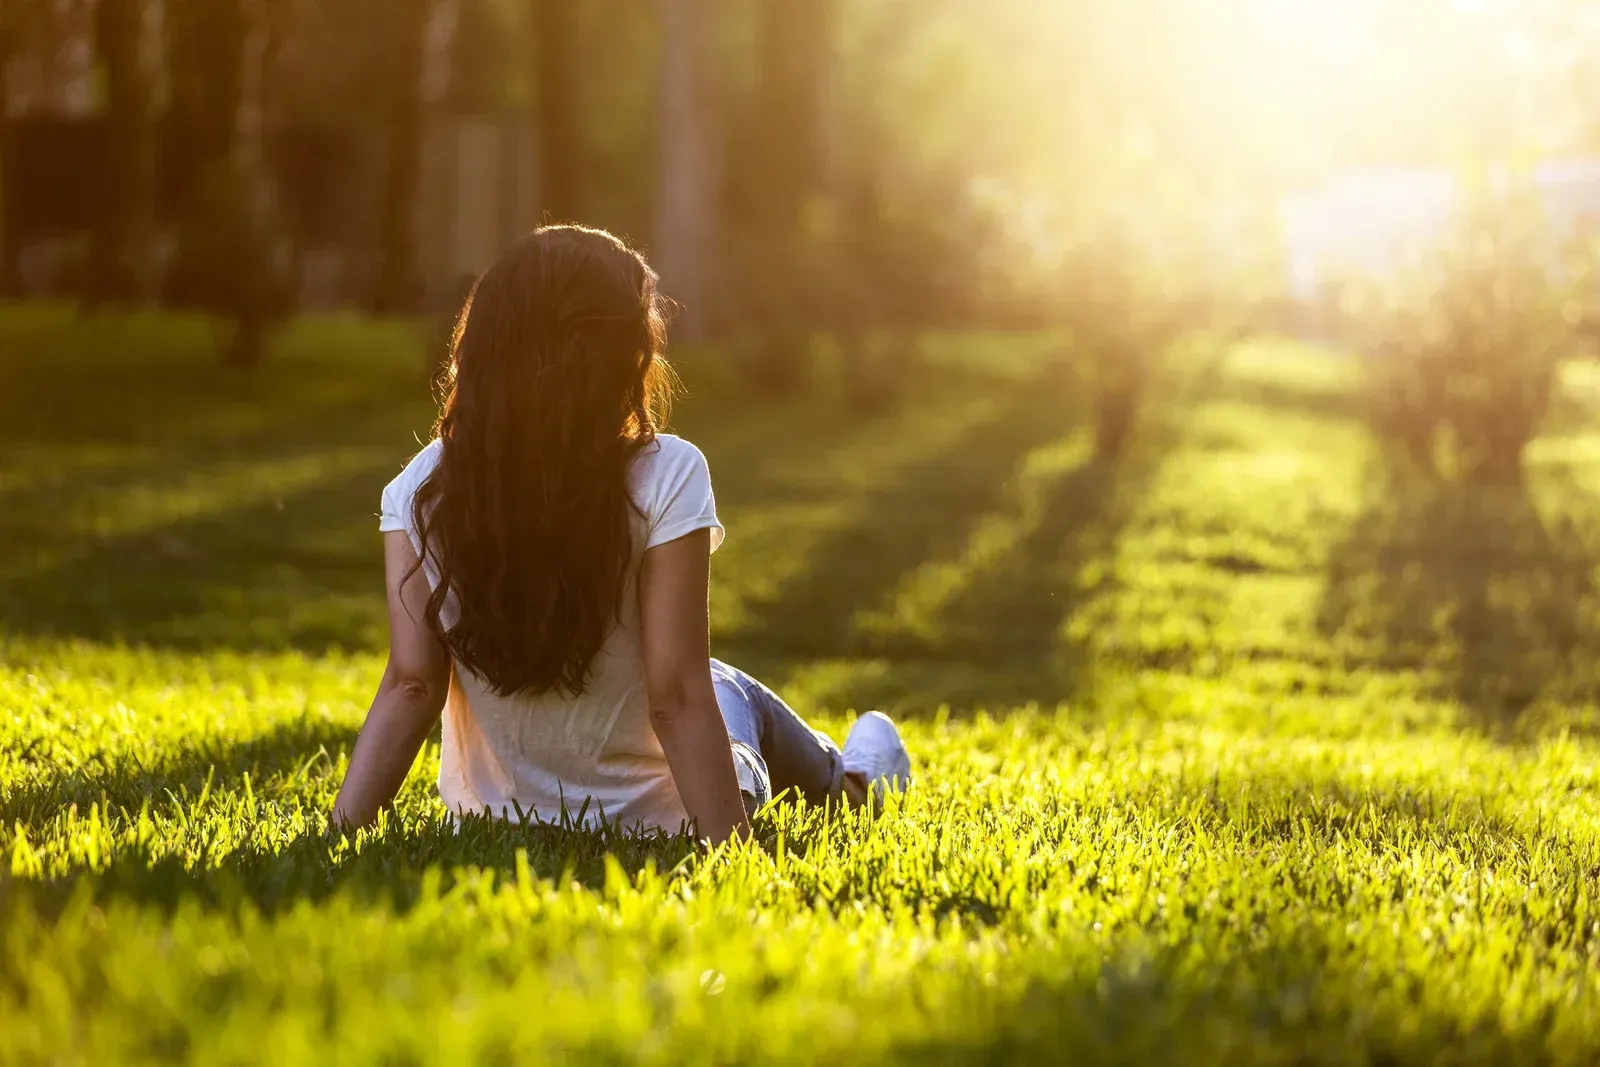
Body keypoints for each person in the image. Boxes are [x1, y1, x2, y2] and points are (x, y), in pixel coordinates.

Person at [331, 225, 911, 843]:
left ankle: (849, 770)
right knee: (719, 682)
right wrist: (733, 853)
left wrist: (336, 836)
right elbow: (677, 693)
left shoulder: (420, 489)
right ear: (619, 352)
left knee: (715, 681)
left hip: (498, 813)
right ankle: (856, 784)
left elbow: (412, 683)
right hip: (663, 819)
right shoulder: (670, 471)